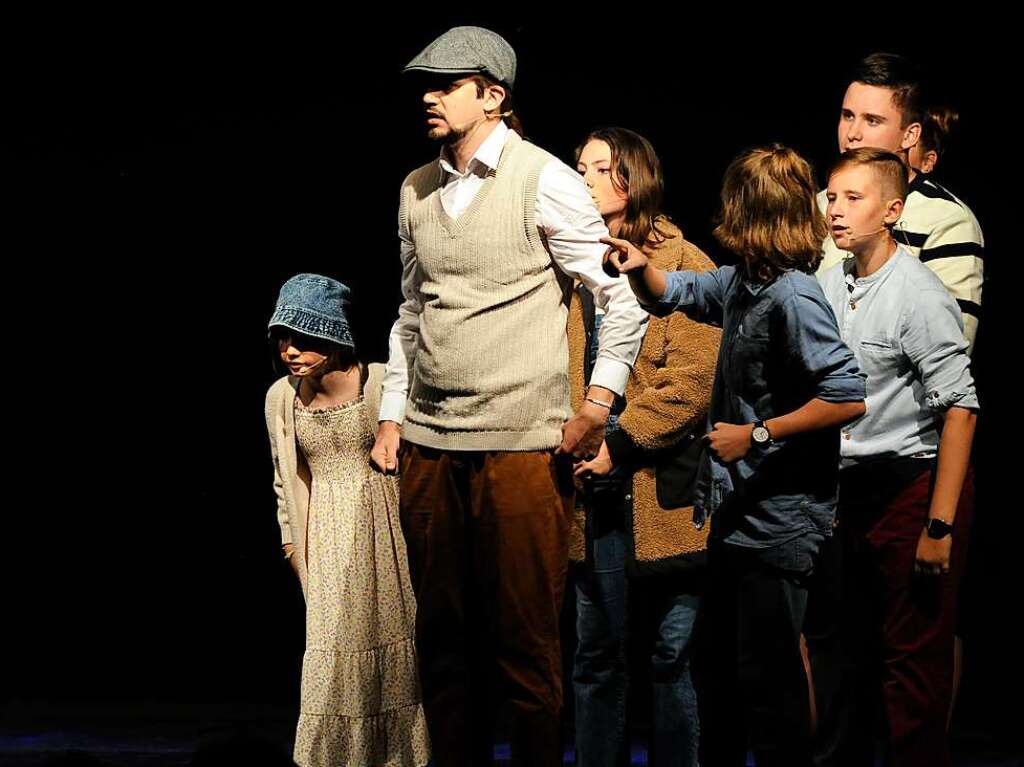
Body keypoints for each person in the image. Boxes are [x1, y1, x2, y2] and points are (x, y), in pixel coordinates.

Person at [370, 26, 648, 766]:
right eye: (425, 84)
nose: (429, 95)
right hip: (432, 445)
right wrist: (394, 413)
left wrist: (597, 403)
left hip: (522, 444)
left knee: (526, 647)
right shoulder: (414, 188)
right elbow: (410, 311)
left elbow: (617, 299)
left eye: (448, 83)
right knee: (442, 646)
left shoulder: (544, 177)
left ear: (493, 96)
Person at [603, 144, 866, 767]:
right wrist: (641, 266)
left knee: (770, 687)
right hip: (736, 517)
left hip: (781, 523)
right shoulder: (747, 281)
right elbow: (678, 291)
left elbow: (847, 396)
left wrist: (759, 435)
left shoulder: (796, 296)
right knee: (727, 677)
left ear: (753, 211)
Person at [818, 148, 978, 767]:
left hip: (908, 487)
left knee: (911, 663)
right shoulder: (829, 283)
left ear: (892, 211)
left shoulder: (918, 293)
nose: (836, 211)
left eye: (853, 199)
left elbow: (960, 408)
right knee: (844, 655)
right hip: (842, 493)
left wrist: (938, 526)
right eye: (832, 197)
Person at [568, 127, 720, 767]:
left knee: (667, 656)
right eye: (578, 168)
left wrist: (621, 442)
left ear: (630, 178)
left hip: (665, 491)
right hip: (592, 488)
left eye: (594, 169)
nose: (580, 180)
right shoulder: (574, 268)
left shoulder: (688, 266)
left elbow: (688, 383)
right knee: (596, 656)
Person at [264, 274, 429, 767]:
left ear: (333, 337)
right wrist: (292, 546)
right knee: (330, 655)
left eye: (303, 338)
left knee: (393, 654)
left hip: (384, 531)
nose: (290, 351)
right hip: (324, 538)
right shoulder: (280, 398)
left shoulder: (379, 381)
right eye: (283, 339)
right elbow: (284, 479)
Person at [817, 53, 984, 353]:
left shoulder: (945, 218)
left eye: (872, 120)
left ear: (910, 134)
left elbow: (949, 349)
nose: (853, 134)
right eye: (847, 115)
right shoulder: (814, 206)